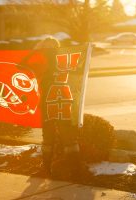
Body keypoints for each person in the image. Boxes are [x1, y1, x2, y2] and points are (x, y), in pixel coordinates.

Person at [34, 37, 80, 174]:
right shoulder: (38, 60)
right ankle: (47, 167)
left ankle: (74, 167)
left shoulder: (63, 60)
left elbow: (75, 74)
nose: (50, 49)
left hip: (62, 102)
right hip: (46, 103)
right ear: (42, 46)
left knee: (68, 135)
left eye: (53, 46)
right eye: (47, 46)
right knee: (48, 136)